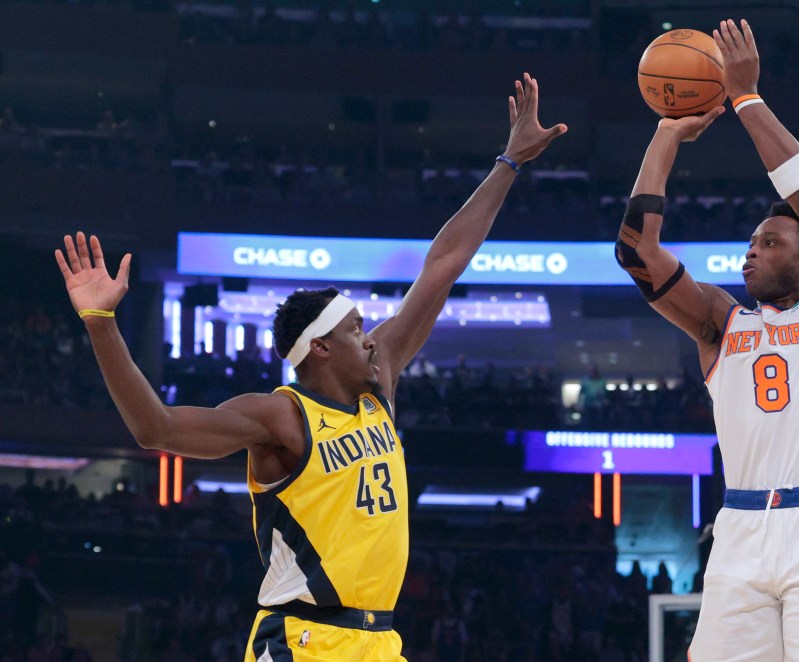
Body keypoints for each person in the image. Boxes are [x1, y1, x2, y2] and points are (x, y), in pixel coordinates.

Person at [54, 73, 565, 662]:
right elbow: (157, 429)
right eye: (355, 330)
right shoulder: (280, 417)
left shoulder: (381, 385)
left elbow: (444, 263)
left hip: (379, 641)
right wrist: (101, 323)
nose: (371, 340)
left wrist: (510, 162)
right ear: (319, 349)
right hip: (302, 640)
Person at [614, 19, 799, 662]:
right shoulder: (719, 321)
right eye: (749, 244)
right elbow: (636, 252)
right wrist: (664, 136)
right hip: (737, 528)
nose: (749, 255)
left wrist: (746, 98)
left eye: (770, 243)